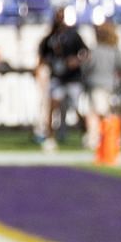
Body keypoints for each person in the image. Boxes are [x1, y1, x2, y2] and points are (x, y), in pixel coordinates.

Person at [38, 11, 88, 153]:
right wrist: (43, 66)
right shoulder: (50, 38)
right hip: (57, 76)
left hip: (72, 77)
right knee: (52, 107)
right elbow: (43, 55)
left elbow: (85, 52)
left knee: (75, 107)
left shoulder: (73, 35)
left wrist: (76, 61)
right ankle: (50, 138)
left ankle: (86, 133)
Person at [84, 22, 121, 147]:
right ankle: (111, 137)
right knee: (105, 112)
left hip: (96, 85)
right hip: (110, 85)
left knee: (97, 113)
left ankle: (97, 138)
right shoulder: (114, 50)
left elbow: (87, 67)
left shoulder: (95, 51)